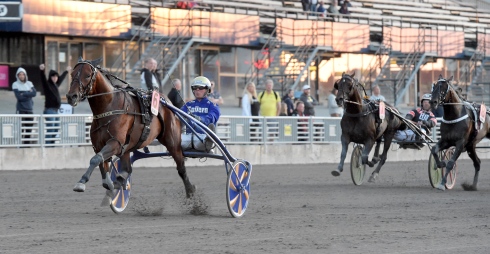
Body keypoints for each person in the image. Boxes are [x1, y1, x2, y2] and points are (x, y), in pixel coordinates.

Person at [181, 76, 221, 152]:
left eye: (201, 88)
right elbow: (177, 115)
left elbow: (213, 116)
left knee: (203, 140)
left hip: (203, 137)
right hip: (188, 138)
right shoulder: (187, 105)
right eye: (195, 88)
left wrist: (201, 119)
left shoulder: (212, 105)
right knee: (177, 139)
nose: (197, 90)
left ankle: (208, 141)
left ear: (207, 90)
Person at [39, 64, 70, 144]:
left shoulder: (55, 85)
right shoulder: (48, 85)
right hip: (49, 110)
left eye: (56, 77)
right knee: (51, 129)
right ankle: (47, 145)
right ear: (50, 77)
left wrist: (66, 71)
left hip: (55, 111)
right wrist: (42, 71)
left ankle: (51, 144)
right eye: (53, 76)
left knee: (56, 128)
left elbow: (61, 78)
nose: (55, 78)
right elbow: (43, 79)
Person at [12, 67, 37, 144]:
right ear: (17, 75)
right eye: (20, 74)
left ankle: (26, 144)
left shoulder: (29, 83)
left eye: (23, 74)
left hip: (29, 109)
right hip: (21, 109)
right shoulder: (15, 84)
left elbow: (34, 93)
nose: (22, 76)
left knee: (29, 128)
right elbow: (19, 97)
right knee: (21, 128)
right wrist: (28, 95)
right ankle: (20, 144)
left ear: (25, 75)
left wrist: (24, 94)